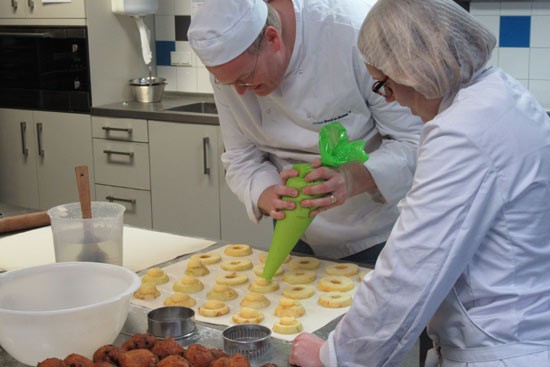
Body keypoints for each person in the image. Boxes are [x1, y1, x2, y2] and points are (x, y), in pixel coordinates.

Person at [289, 0, 550, 365]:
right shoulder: (499, 94)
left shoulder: (463, 132)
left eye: (384, 84)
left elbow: (411, 269)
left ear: (416, 68)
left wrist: (334, 355)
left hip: (499, 349)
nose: (390, 100)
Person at [187, 0, 423, 265]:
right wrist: (266, 194)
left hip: (373, 233)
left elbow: (415, 142)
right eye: (230, 84)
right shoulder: (230, 70)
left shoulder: (354, 35)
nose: (241, 91)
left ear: (272, 38)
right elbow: (241, 155)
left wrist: (353, 178)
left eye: (246, 78)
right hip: (292, 230)